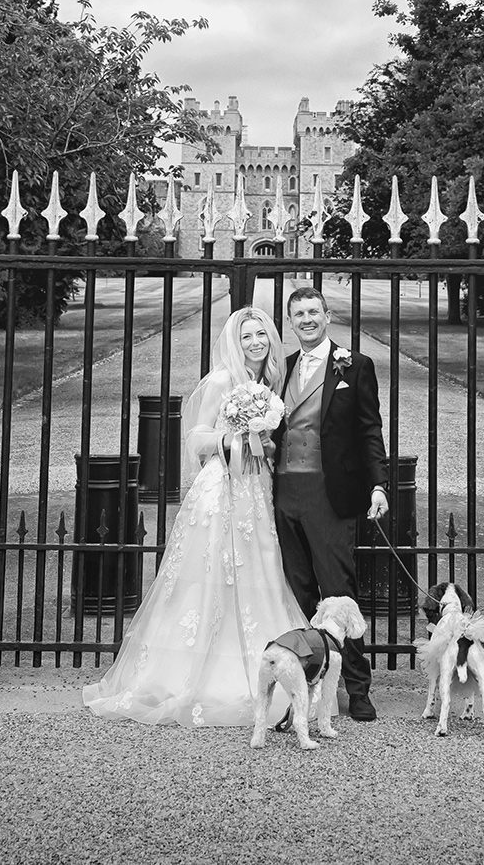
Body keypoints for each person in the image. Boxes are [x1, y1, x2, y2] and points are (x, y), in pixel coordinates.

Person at [83, 306, 306, 726]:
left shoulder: (266, 383)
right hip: (221, 490)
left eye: (262, 335)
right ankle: (190, 677)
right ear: (234, 343)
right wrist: (234, 436)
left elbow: (268, 443)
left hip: (254, 491)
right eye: (247, 337)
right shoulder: (222, 379)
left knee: (258, 572)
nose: (256, 343)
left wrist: (264, 443)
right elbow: (196, 437)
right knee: (207, 579)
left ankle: (264, 669)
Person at [269, 285, 390, 722]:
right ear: (290, 320)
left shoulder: (355, 366)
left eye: (313, 311)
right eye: (298, 313)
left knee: (338, 594)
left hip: (330, 493)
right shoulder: (280, 369)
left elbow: (370, 431)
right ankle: (304, 686)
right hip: (285, 492)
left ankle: (357, 687)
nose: (306, 319)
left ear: (328, 315)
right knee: (298, 592)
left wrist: (379, 485)